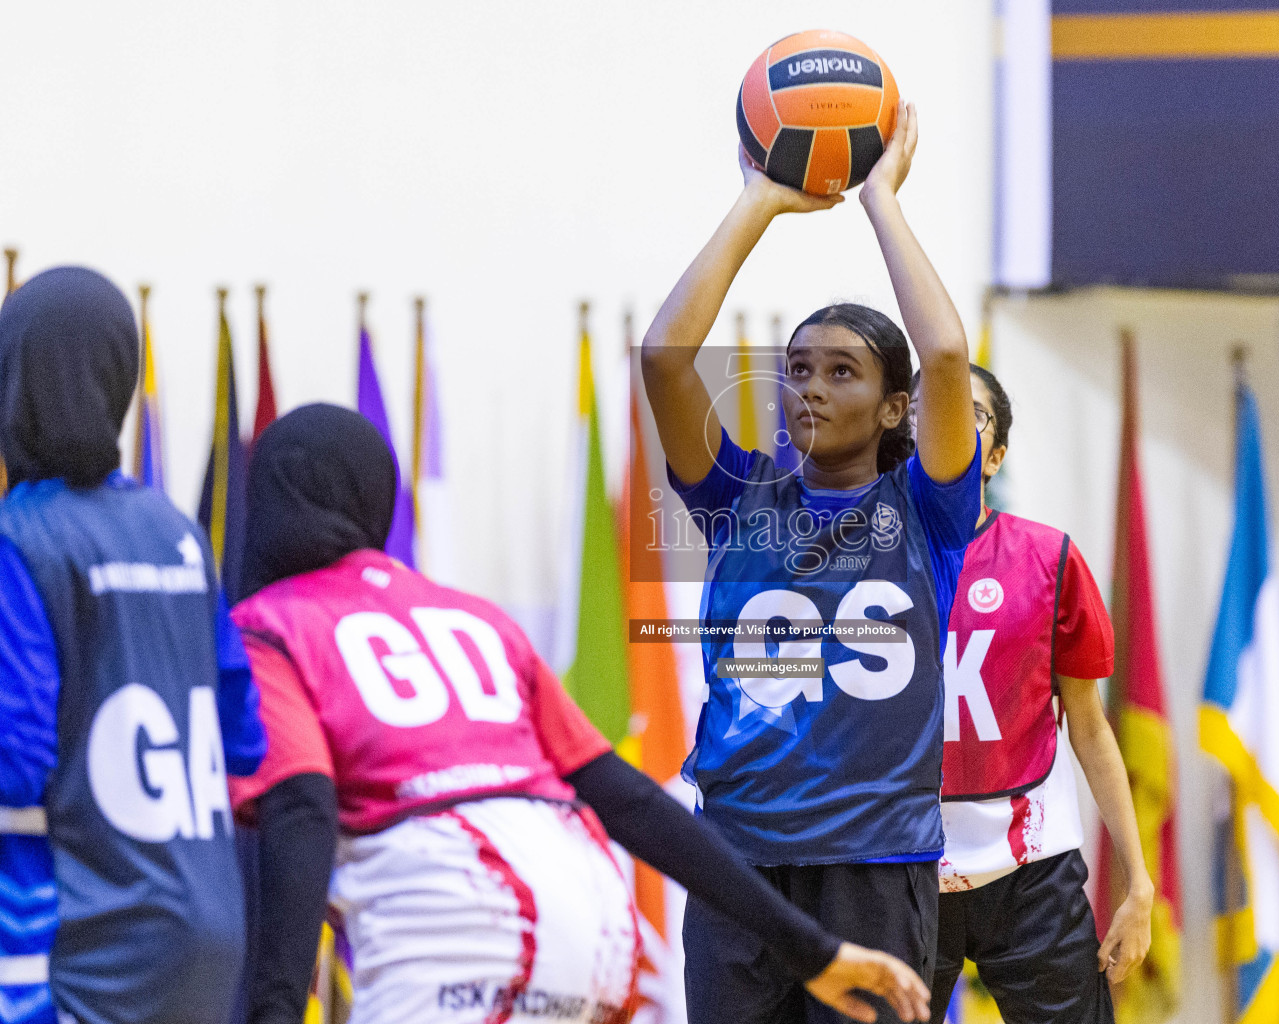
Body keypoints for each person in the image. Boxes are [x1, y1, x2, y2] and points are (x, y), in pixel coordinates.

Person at [227, 403, 930, 1024]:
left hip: (450, 916)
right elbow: (630, 802)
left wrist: (274, 1008)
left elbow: (302, 811)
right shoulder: (476, 620)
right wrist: (809, 948)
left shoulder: (267, 626)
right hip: (589, 916)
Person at [641, 101, 980, 1024]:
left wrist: (883, 204)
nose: (811, 389)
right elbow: (665, 360)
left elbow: (946, 353)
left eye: (842, 372)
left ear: (894, 408)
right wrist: (759, 199)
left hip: (874, 864)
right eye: (797, 369)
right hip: (740, 860)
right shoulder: (737, 499)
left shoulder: (929, 511)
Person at [0, 267, 267, 1024]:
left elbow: (14, 764)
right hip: (210, 946)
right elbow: (244, 740)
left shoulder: (20, 539)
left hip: (79, 956)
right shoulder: (179, 532)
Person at [910, 364, 1152, 1022]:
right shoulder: (858, 562)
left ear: (996, 455)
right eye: (925, 410)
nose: (946, 423)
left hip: (1030, 869)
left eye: (971, 413)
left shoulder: (1049, 559)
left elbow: (1090, 725)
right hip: (899, 867)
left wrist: (1139, 878)